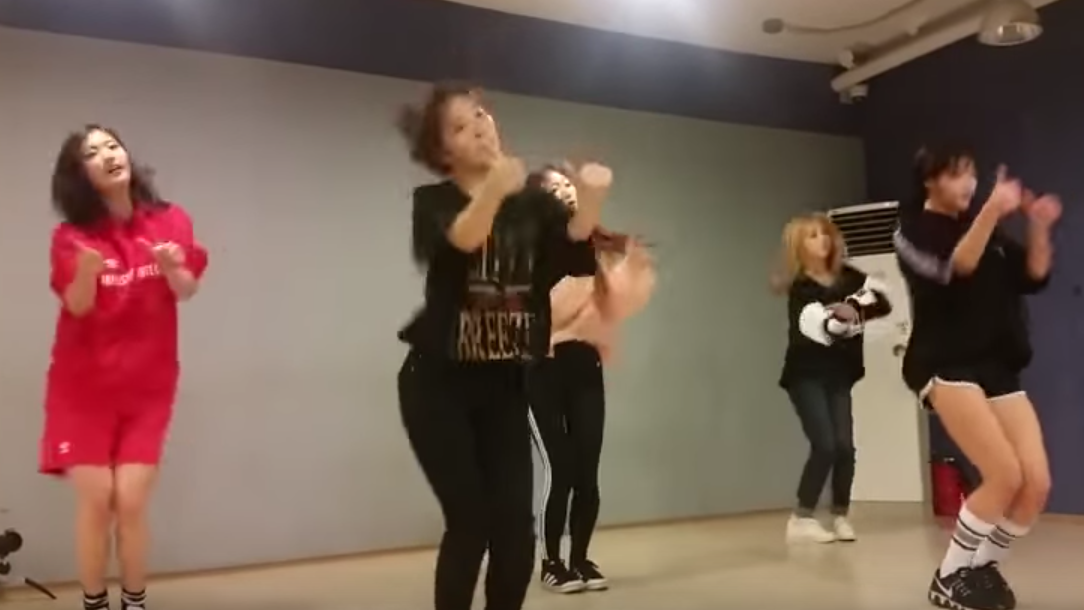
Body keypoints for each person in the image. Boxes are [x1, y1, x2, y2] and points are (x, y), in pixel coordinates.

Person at [395, 83, 608, 610]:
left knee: (515, 530)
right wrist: (493, 189)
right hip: (436, 385)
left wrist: (590, 194)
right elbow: (461, 243)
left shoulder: (533, 206)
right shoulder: (433, 202)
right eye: (460, 126)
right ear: (443, 151)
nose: (479, 128)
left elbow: (575, 244)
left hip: (505, 384)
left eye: (480, 115)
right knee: (470, 522)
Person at [39, 125, 209, 610]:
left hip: (148, 388)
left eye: (112, 145)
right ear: (80, 175)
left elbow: (187, 289)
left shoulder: (170, 220)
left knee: (131, 502)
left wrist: (173, 267)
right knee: (97, 503)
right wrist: (87, 272)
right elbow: (77, 304)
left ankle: (134, 602)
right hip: (82, 391)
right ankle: (94, 602)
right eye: (93, 153)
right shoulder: (71, 237)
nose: (109, 155)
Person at [894, 145, 1058, 610]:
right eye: (956, 174)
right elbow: (958, 266)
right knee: (1003, 474)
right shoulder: (912, 231)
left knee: (1035, 483)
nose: (968, 182)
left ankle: (980, 566)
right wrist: (991, 210)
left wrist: (1039, 225)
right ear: (930, 180)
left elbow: (1035, 274)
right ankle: (949, 576)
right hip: (945, 363)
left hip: (996, 365)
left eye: (972, 174)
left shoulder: (992, 233)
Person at [525, 166, 656, 594]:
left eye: (569, 185)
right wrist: (594, 190)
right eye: (556, 186)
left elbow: (608, 297)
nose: (566, 191)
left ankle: (579, 558)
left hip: (584, 365)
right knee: (560, 469)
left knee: (586, 470)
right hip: (540, 369)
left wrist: (626, 255)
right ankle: (551, 563)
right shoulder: (534, 243)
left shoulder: (585, 248)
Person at [773, 213, 892, 544]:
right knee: (824, 444)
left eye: (825, 233)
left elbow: (881, 302)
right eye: (812, 236)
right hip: (805, 375)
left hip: (840, 374)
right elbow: (810, 329)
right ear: (799, 246)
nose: (822, 240)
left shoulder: (850, 277)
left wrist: (856, 308)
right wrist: (836, 318)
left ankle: (840, 515)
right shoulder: (801, 287)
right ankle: (801, 518)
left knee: (845, 447)